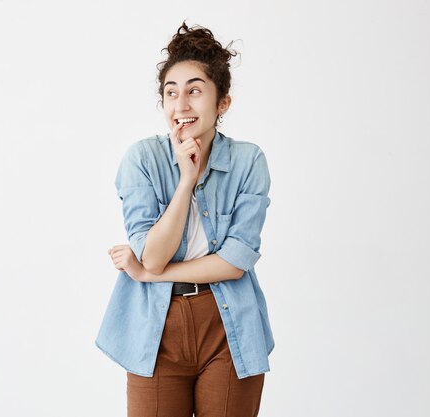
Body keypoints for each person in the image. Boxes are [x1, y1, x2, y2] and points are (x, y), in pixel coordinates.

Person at [95, 21, 274, 417]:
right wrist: (186, 180)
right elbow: (154, 253)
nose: (181, 105)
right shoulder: (142, 160)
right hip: (153, 330)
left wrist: (145, 274)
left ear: (222, 102)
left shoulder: (248, 162)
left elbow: (234, 263)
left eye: (195, 91)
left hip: (228, 329)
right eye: (171, 93)